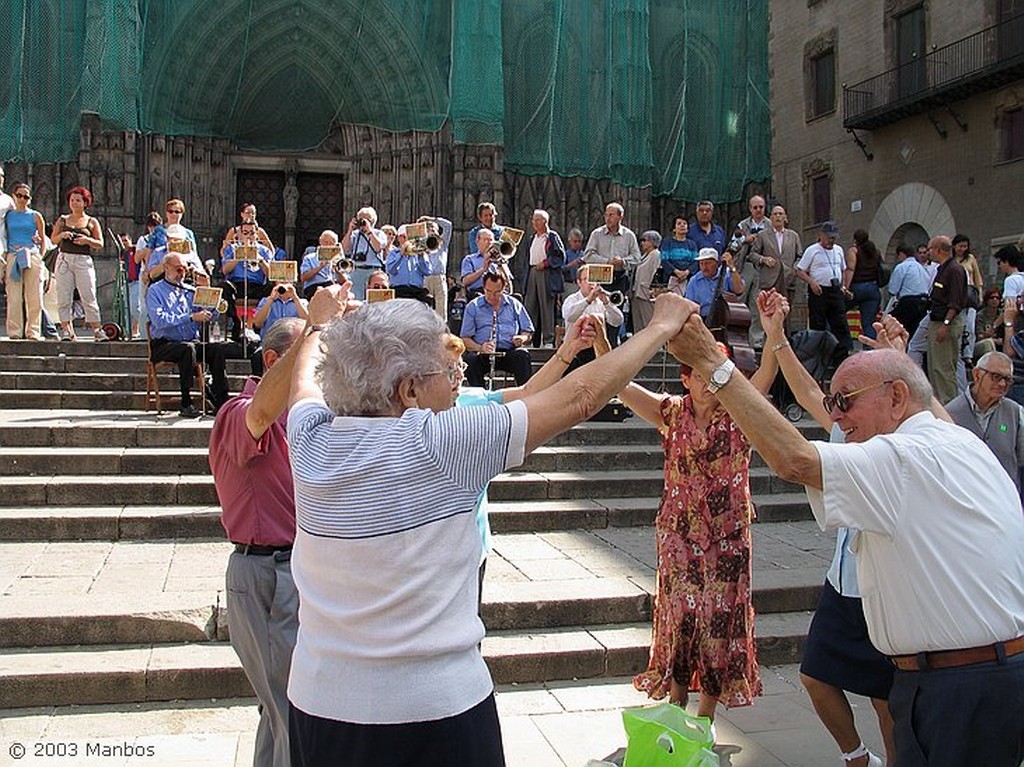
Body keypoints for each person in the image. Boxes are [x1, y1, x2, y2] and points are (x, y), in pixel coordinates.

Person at [284, 285, 698, 767]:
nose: (455, 379)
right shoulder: (442, 442)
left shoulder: (310, 438)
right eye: (444, 371)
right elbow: (581, 397)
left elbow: (303, 387)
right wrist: (660, 326)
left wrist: (318, 325)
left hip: (319, 702)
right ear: (409, 391)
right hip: (433, 710)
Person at [669, 316, 1024, 767]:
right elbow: (924, 402)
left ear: (896, 398)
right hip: (973, 677)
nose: (834, 414)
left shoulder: (903, 457)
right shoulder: (958, 441)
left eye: (845, 401)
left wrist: (710, 363)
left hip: (958, 688)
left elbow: (795, 461)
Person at [621, 293, 780, 724]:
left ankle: (705, 718)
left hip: (727, 535)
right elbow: (622, 386)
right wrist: (602, 347)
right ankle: (675, 704)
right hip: (680, 533)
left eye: (719, 376)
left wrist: (775, 331)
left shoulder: (739, 414)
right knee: (681, 618)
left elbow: (764, 376)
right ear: (687, 379)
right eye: (704, 375)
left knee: (719, 623)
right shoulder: (671, 413)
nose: (711, 382)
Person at [209, 316, 306, 767]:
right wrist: (313, 330)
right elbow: (259, 415)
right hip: (267, 573)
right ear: (273, 361)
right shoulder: (237, 411)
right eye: (309, 359)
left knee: (280, 713)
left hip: (296, 570)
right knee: (291, 710)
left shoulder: (301, 415)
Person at [146, 252, 230, 417]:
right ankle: (186, 402)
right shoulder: (155, 291)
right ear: (166, 268)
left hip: (190, 341)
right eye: (177, 269)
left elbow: (210, 315)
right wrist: (190, 317)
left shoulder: (190, 291)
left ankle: (221, 400)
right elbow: (159, 320)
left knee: (216, 350)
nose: (181, 273)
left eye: (184, 270)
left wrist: (209, 293)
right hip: (165, 343)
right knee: (187, 349)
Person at [946, 350, 1024, 498]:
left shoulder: (1015, 413)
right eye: (996, 377)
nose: (1002, 384)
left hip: (1005, 503)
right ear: (977, 375)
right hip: (966, 502)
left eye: (1007, 379)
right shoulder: (950, 414)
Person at [50, 186, 106, 341]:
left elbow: (100, 243)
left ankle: (97, 329)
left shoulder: (91, 221)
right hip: (65, 259)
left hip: (83, 259)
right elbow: (53, 239)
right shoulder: (62, 220)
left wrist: (87, 240)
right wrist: (62, 235)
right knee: (64, 295)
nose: (74, 203)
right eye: (72, 200)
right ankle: (67, 329)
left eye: (78, 200)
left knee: (88, 294)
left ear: (85, 203)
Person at [460, 271, 534, 387]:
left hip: (508, 351)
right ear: (483, 288)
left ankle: (525, 396)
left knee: (523, 356)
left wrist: (522, 338)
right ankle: (480, 398)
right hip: (483, 353)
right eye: (488, 292)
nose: (492, 297)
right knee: (470, 360)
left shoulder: (514, 304)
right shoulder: (473, 307)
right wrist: (480, 347)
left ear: (503, 289)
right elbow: (465, 338)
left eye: (496, 292)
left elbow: (528, 332)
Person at [796, 221, 853, 362]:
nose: (831, 241)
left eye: (833, 238)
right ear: (821, 236)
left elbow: (843, 269)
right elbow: (800, 270)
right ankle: (818, 355)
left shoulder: (838, 250)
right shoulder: (812, 250)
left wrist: (843, 286)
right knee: (818, 324)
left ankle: (841, 355)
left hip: (835, 290)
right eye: (828, 237)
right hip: (819, 291)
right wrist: (812, 282)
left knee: (840, 322)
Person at [747, 203, 801, 344]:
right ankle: (768, 348)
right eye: (775, 214)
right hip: (770, 281)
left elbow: (799, 256)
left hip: (788, 279)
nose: (778, 216)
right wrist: (763, 259)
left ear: (785, 218)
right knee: (770, 314)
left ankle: (786, 347)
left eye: (780, 214)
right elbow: (752, 255)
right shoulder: (763, 235)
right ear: (770, 218)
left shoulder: (793, 236)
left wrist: (794, 269)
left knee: (786, 314)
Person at [925, 235, 967, 404]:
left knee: (944, 369)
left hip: (946, 322)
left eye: (930, 249)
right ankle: (939, 403)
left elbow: (955, 302)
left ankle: (949, 404)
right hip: (937, 320)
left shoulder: (954, 270)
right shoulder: (942, 269)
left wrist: (946, 325)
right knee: (935, 367)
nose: (929, 253)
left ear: (939, 250)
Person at [2, 182, 46, 341]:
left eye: (26, 196)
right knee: (13, 296)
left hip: (31, 254)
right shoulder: (9, 215)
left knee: (34, 296)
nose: (22, 199)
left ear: (30, 198)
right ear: (14, 196)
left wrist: (40, 256)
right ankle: (15, 332)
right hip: (13, 254)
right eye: (19, 195)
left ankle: (33, 331)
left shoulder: (35, 215)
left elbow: (42, 239)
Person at [561, 264, 625, 373]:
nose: (591, 283)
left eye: (593, 280)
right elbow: (570, 316)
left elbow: (617, 321)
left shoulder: (601, 301)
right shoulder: (571, 299)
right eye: (586, 279)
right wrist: (588, 300)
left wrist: (606, 303)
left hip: (596, 351)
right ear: (579, 282)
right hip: (575, 352)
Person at [520, 209, 564, 347]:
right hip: (533, 271)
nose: (534, 222)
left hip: (546, 273)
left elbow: (560, 256)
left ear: (544, 221)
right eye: (533, 220)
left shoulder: (552, 237)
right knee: (530, 306)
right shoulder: (532, 238)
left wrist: (545, 263)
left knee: (546, 306)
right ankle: (529, 338)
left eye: (537, 220)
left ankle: (548, 339)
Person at [583, 202, 641, 305]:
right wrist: (607, 261)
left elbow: (637, 258)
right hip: (599, 277)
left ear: (620, 217)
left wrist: (623, 262)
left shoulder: (629, 236)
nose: (608, 218)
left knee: (616, 312)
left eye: (611, 215)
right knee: (598, 308)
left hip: (620, 278)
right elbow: (587, 255)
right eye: (606, 215)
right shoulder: (597, 234)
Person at [884, 243, 932, 339]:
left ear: (901, 254)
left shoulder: (902, 267)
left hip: (908, 301)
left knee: (890, 324)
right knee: (914, 332)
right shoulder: (921, 268)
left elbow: (893, 289)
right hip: (924, 302)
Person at [844, 229, 883, 341]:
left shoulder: (854, 251)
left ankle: (843, 344)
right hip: (873, 288)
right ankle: (870, 349)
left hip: (857, 287)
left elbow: (851, 269)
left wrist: (846, 288)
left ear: (855, 240)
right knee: (869, 323)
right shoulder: (875, 252)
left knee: (838, 313)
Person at [684, 247, 743, 320]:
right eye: (701, 263)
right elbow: (688, 306)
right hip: (702, 319)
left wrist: (732, 268)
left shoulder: (727, 274)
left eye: (708, 263)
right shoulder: (694, 281)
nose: (704, 267)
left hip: (725, 319)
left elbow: (739, 290)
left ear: (716, 263)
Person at [342, 206, 387, 300]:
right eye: (360, 220)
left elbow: (378, 248)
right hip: (356, 271)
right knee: (356, 300)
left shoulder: (379, 234)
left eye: (366, 220)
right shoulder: (355, 234)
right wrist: (350, 230)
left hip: (373, 271)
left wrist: (369, 232)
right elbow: (344, 249)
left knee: (374, 300)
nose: (362, 223)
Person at [461, 229, 513, 299]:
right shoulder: (469, 259)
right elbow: (465, 282)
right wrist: (483, 269)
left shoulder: (500, 259)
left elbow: (509, 286)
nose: (489, 243)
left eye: (491, 240)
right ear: (477, 241)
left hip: (499, 293)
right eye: (486, 240)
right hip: (479, 293)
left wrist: (501, 266)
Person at [419, 215, 453, 318]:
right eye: (428, 229)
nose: (431, 231)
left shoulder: (442, 243)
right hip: (425, 279)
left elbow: (448, 226)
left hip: (439, 278)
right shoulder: (421, 244)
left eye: (433, 228)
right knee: (425, 311)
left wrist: (432, 219)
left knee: (441, 311)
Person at [631, 231, 662, 333]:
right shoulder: (643, 255)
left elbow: (656, 273)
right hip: (637, 292)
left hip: (646, 293)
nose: (642, 243)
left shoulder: (655, 255)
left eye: (645, 240)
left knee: (648, 321)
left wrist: (651, 289)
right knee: (638, 324)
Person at [298, 230, 342, 301]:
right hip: (314, 287)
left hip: (333, 287)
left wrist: (337, 270)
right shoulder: (309, 258)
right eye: (326, 242)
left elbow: (344, 281)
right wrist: (320, 267)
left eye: (331, 243)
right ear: (320, 242)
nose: (328, 246)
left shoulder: (338, 259)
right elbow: (303, 278)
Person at [561, 228, 586, 294]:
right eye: (575, 241)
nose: (577, 244)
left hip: (582, 285)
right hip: (569, 284)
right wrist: (572, 264)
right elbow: (561, 269)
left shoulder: (584, 254)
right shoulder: (565, 254)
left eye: (579, 241)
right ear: (570, 241)